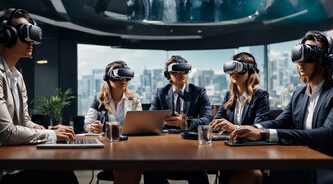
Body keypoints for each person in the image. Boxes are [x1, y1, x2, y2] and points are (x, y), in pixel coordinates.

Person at [229, 31, 333, 184]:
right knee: (244, 174)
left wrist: (263, 133)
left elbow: (327, 134)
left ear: (327, 61)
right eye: (299, 55)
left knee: (261, 177)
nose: (301, 62)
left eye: (308, 55)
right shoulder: (299, 94)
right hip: (305, 162)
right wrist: (250, 129)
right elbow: (279, 123)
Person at [0, 8, 77, 184]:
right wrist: (51, 135)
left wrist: (44, 129)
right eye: (24, 32)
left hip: (13, 160)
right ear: (5, 35)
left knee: (66, 174)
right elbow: (7, 133)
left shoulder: (17, 77)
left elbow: (24, 122)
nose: (31, 40)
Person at [145, 55, 213, 184]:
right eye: (177, 71)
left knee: (196, 170)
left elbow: (208, 118)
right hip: (164, 145)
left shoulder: (199, 92)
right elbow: (151, 118)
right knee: (150, 169)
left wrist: (187, 123)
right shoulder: (161, 92)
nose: (182, 74)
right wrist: (161, 121)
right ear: (168, 74)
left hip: (190, 145)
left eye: (185, 71)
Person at [210, 52, 270, 184]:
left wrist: (234, 128)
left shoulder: (260, 96)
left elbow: (260, 127)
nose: (234, 73)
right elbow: (217, 121)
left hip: (251, 155)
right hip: (229, 151)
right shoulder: (229, 96)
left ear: (250, 72)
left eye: (239, 70)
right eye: (232, 70)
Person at [84, 61, 142, 184]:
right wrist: (92, 127)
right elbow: (87, 125)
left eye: (126, 78)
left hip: (129, 147)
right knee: (129, 169)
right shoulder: (99, 99)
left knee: (135, 168)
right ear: (108, 79)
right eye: (119, 78)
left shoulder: (134, 99)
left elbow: (139, 125)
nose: (124, 81)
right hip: (107, 149)